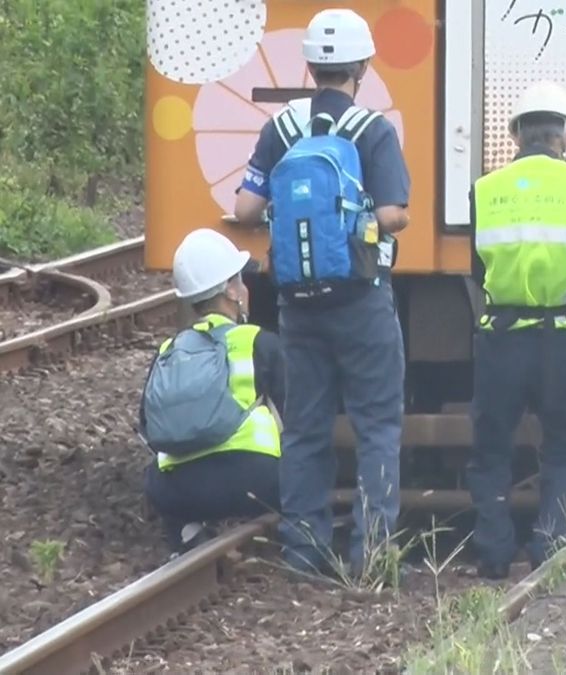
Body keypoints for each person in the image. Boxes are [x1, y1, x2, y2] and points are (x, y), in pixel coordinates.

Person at [231, 8, 409, 578]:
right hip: (361, 299)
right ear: (362, 66)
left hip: (297, 302)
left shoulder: (278, 129)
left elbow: (246, 209)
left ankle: (303, 552)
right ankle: (373, 553)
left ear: (308, 65)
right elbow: (392, 215)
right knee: (377, 426)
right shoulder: (374, 131)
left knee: (305, 426)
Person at [466, 80, 566, 580]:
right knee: (565, 444)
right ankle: (550, 543)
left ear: (516, 135)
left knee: (491, 448)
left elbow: (477, 267)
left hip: (501, 339)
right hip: (562, 340)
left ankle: (493, 552)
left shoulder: (485, 191)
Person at [140, 229, 284, 555]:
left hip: (174, 489)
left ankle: (187, 534)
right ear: (231, 291)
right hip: (253, 483)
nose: (246, 290)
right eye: (240, 282)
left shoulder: (168, 350)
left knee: (158, 475)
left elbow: (147, 428)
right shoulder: (257, 342)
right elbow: (299, 416)